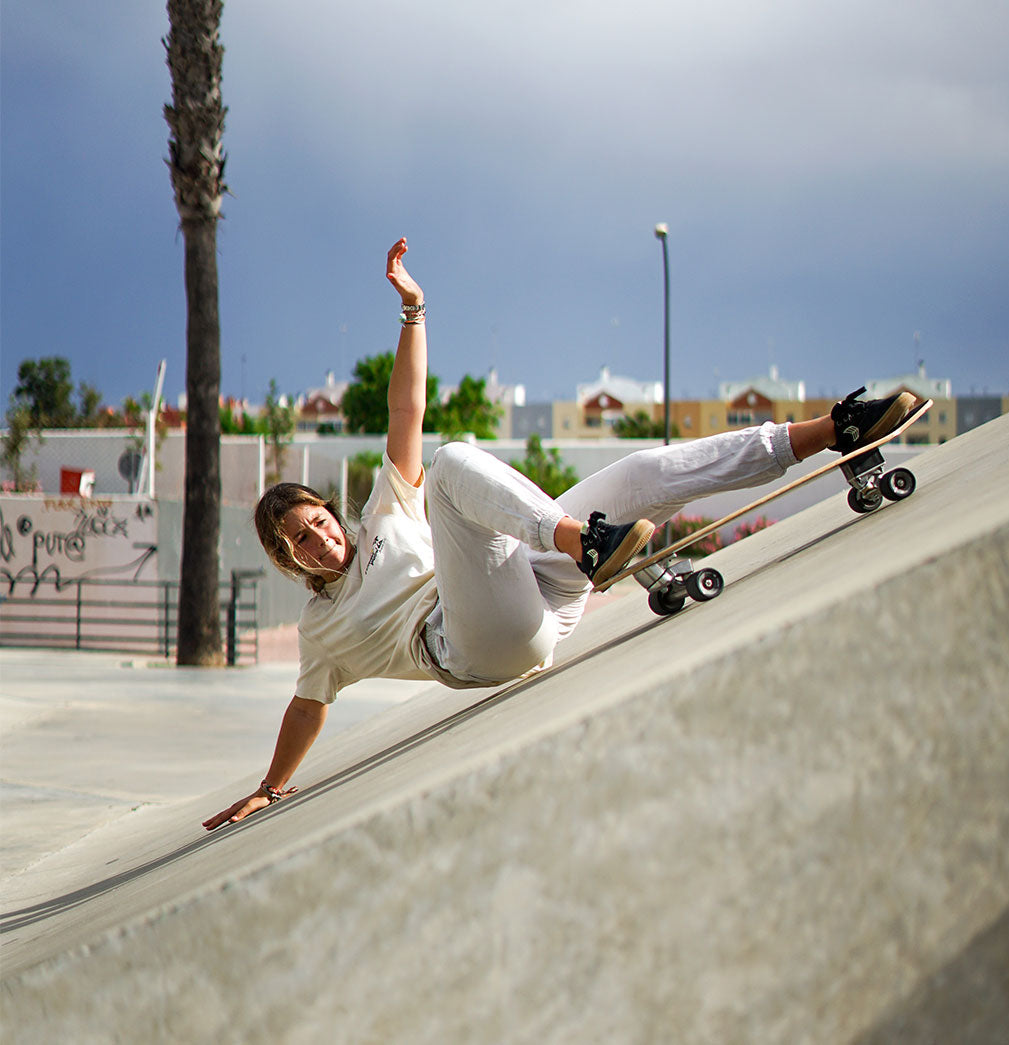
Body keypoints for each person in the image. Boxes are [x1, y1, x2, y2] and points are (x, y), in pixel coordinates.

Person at [202, 237, 916, 830]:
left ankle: (832, 430)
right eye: (299, 542)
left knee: (639, 468)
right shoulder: (321, 629)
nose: (319, 540)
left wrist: (413, 309)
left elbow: (405, 407)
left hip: (539, 583)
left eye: (318, 521)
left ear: (333, 511)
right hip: (477, 644)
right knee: (451, 464)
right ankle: (585, 542)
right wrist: (269, 785)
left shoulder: (384, 508)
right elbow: (305, 706)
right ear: (288, 561)